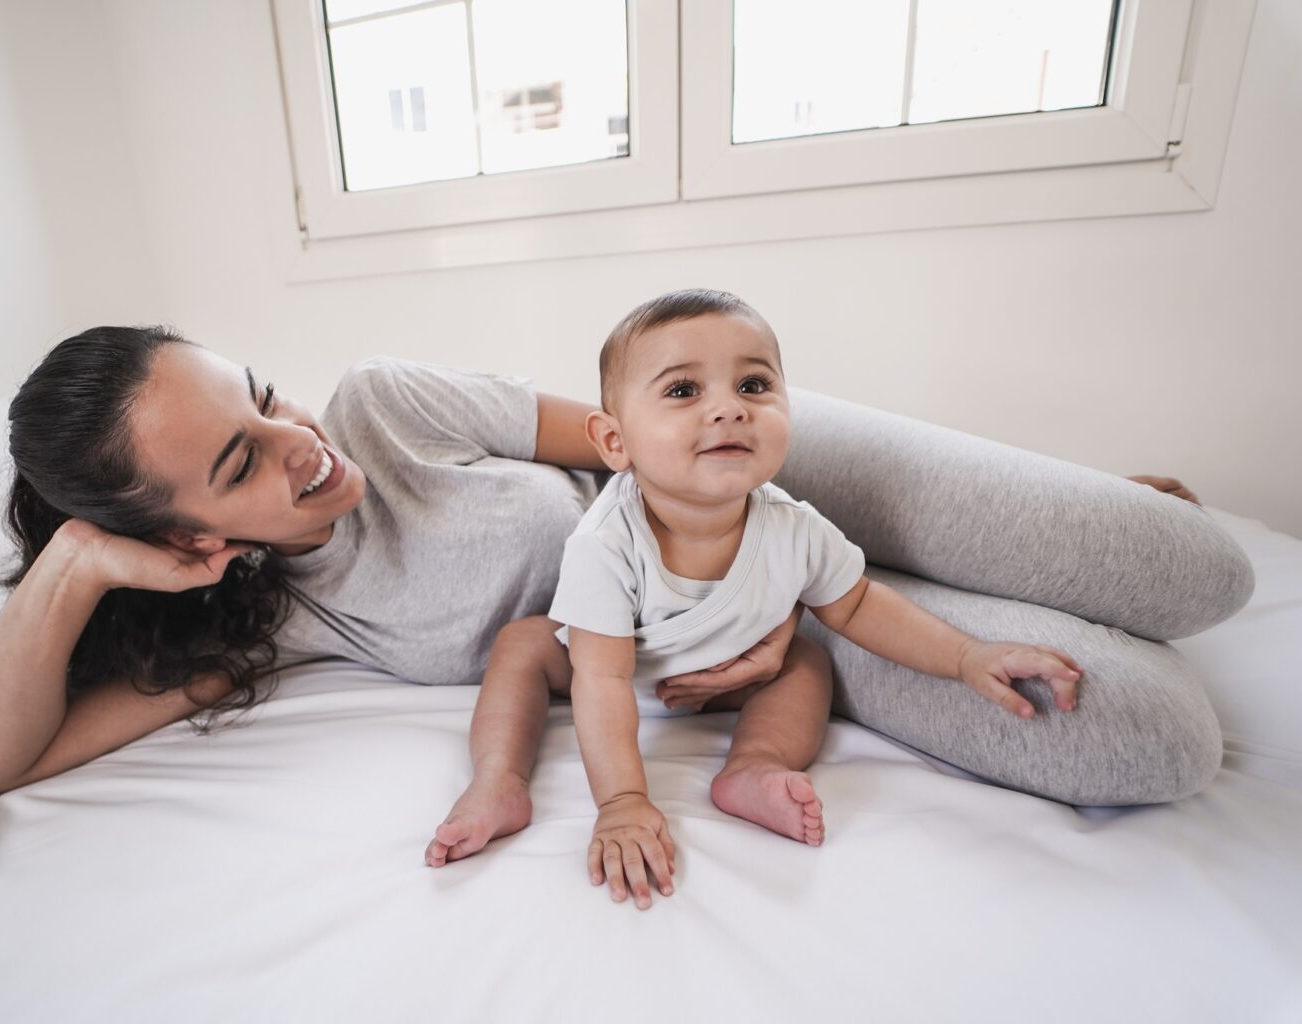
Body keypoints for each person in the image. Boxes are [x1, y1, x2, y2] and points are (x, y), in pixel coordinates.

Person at [0, 322, 1250, 835]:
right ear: (177, 539)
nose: (304, 446)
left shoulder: (387, 406)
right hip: (741, 635)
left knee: (1189, 567)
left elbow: (628, 435)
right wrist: (70, 565)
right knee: (1151, 736)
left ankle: (1108, 510)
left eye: (265, 396)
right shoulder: (275, 624)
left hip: (746, 470)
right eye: (240, 459)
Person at [424, 291, 1087, 910]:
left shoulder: (791, 526)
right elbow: (602, 676)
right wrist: (623, 802)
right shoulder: (605, 542)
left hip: (732, 670)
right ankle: (498, 780)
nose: (729, 407)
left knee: (805, 664)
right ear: (614, 442)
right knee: (523, 644)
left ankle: (753, 767)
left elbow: (858, 606)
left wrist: (967, 655)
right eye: (684, 390)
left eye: (754, 385)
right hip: (612, 665)